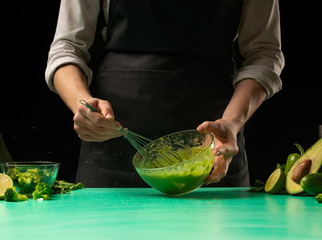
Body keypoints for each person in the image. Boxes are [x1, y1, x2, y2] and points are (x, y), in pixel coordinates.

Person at [45, 0, 284, 187]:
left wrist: (232, 123)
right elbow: (67, 47)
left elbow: (264, 54)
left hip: (213, 150)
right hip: (113, 145)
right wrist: (83, 103)